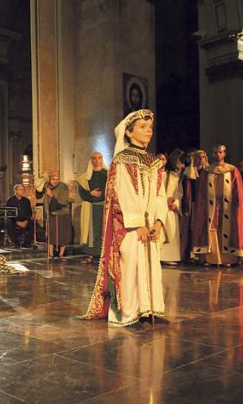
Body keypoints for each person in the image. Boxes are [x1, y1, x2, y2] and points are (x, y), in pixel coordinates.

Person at [82, 109, 168, 327]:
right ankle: (129, 311)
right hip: (130, 226)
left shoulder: (153, 162)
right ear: (129, 133)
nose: (148, 131)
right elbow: (124, 193)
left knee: (150, 264)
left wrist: (159, 221)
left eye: (150, 127)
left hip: (150, 224)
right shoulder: (122, 161)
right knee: (130, 266)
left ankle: (149, 308)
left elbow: (160, 194)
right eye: (142, 127)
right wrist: (137, 223)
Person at [191, 145, 243, 267]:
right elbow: (202, 193)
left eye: (220, 152)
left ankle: (228, 259)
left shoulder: (232, 170)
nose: (218, 155)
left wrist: (237, 205)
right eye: (215, 152)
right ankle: (213, 258)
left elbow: (238, 191)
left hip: (228, 205)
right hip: (212, 204)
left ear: (224, 153)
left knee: (228, 228)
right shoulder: (207, 171)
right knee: (212, 228)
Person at [77, 152, 108, 264]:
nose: (96, 160)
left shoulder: (108, 174)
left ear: (102, 159)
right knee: (90, 232)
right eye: (94, 158)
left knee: (103, 231)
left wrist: (103, 194)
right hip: (91, 208)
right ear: (91, 160)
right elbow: (80, 192)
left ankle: (103, 255)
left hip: (104, 208)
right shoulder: (86, 176)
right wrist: (91, 193)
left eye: (99, 158)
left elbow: (113, 189)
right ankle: (89, 254)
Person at [37, 170, 72, 260]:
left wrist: (51, 195)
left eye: (57, 179)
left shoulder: (63, 186)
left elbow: (62, 202)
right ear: (49, 179)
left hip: (62, 212)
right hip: (51, 213)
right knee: (51, 233)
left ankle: (61, 254)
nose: (55, 181)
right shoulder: (47, 185)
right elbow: (38, 192)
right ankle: (51, 254)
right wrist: (44, 180)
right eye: (53, 179)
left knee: (62, 233)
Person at [181, 149, 208, 263]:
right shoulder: (188, 171)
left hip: (205, 205)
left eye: (202, 157)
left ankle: (202, 255)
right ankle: (189, 254)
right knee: (191, 229)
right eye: (198, 157)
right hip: (193, 204)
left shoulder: (208, 171)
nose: (200, 159)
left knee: (203, 229)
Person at [159, 149, 185, 264]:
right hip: (158, 208)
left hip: (170, 209)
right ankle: (157, 257)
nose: (161, 161)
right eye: (158, 159)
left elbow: (178, 193)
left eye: (163, 159)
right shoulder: (150, 176)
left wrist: (175, 204)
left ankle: (170, 257)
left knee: (172, 231)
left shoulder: (173, 176)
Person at [5, 184, 34, 248]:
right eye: (21, 189)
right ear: (15, 191)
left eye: (23, 189)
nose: (23, 191)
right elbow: (9, 214)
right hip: (14, 220)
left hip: (25, 220)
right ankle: (16, 243)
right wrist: (18, 222)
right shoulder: (10, 200)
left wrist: (25, 221)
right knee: (9, 224)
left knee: (32, 223)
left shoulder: (26, 201)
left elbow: (29, 213)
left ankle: (26, 243)